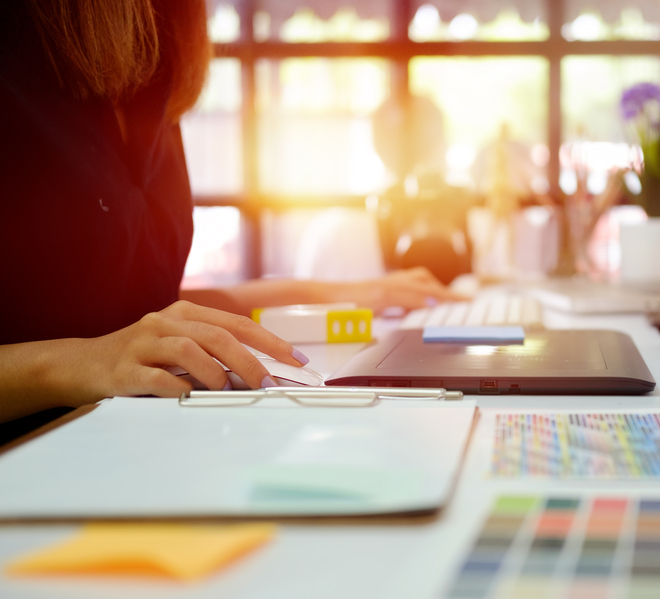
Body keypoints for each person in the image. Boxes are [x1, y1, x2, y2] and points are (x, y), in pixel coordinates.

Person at [0, 0, 462, 436]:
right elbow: (102, 339)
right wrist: (79, 362)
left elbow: (142, 308)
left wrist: (336, 294)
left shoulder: (156, 52)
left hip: (150, 436)